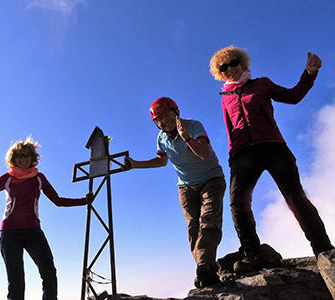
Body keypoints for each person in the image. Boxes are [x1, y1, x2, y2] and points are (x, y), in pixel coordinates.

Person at [209, 46, 333, 275]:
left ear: (243, 64)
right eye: (223, 68)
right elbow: (230, 131)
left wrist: (309, 74)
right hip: (242, 155)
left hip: (273, 147)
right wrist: (232, 159)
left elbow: (292, 97)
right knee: (238, 203)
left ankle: (324, 249)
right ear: (220, 73)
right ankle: (252, 255)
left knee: (295, 197)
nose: (229, 69)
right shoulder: (225, 98)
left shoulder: (262, 84)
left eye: (233, 63)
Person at [0, 136, 92, 300]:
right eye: (19, 156)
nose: (23, 159)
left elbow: (57, 201)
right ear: (13, 159)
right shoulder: (7, 179)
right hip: (10, 234)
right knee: (16, 282)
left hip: (33, 232)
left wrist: (84, 201)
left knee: (49, 272)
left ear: (32, 157)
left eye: (26, 155)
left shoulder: (39, 178)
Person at [125, 97, 226, 288]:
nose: (164, 122)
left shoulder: (193, 126)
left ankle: (205, 264)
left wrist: (186, 136)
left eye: (168, 115)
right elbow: (161, 161)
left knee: (209, 220)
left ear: (177, 113)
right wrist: (135, 165)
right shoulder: (162, 138)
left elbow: (204, 153)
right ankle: (205, 269)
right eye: (159, 120)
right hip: (185, 186)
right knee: (193, 227)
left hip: (211, 178)